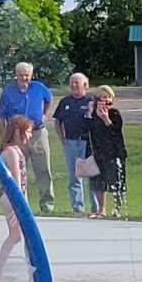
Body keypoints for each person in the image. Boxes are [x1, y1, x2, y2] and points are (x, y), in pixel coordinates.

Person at [0, 63, 55, 213]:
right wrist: (4, 139)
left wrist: (44, 115)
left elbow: (49, 99)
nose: (24, 77)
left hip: (37, 133)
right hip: (17, 135)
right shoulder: (8, 92)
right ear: (16, 75)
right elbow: (1, 118)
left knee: (43, 168)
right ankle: (18, 203)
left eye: (27, 74)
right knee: (17, 169)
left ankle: (47, 205)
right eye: (21, 74)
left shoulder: (39, 88)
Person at [0, 115, 34, 282]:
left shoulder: (15, 151)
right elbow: (16, 180)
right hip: (11, 197)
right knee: (25, 235)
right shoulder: (11, 152)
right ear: (18, 132)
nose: (30, 136)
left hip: (11, 197)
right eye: (28, 132)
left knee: (16, 236)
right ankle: (33, 274)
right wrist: (22, 202)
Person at [52, 73, 96, 217]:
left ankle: (96, 208)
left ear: (85, 84)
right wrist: (62, 138)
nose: (73, 85)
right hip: (70, 142)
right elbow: (57, 121)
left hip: (87, 143)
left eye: (77, 82)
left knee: (92, 175)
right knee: (74, 176)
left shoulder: (91, 101)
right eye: (71, 82)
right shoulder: (65, 102)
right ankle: (78, 208)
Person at [83, 84, 128, 219]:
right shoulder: (92, 115)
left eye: (108, 97)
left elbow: (115, 131)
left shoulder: (114, 113)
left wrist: (105, 118)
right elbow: (85, 130)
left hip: (114, 152)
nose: (105, 101)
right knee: (98, 182)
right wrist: (90, 114)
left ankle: (117, 208)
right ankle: (101, 209)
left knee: (116, 181)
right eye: (102, 98)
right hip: (97, 151)